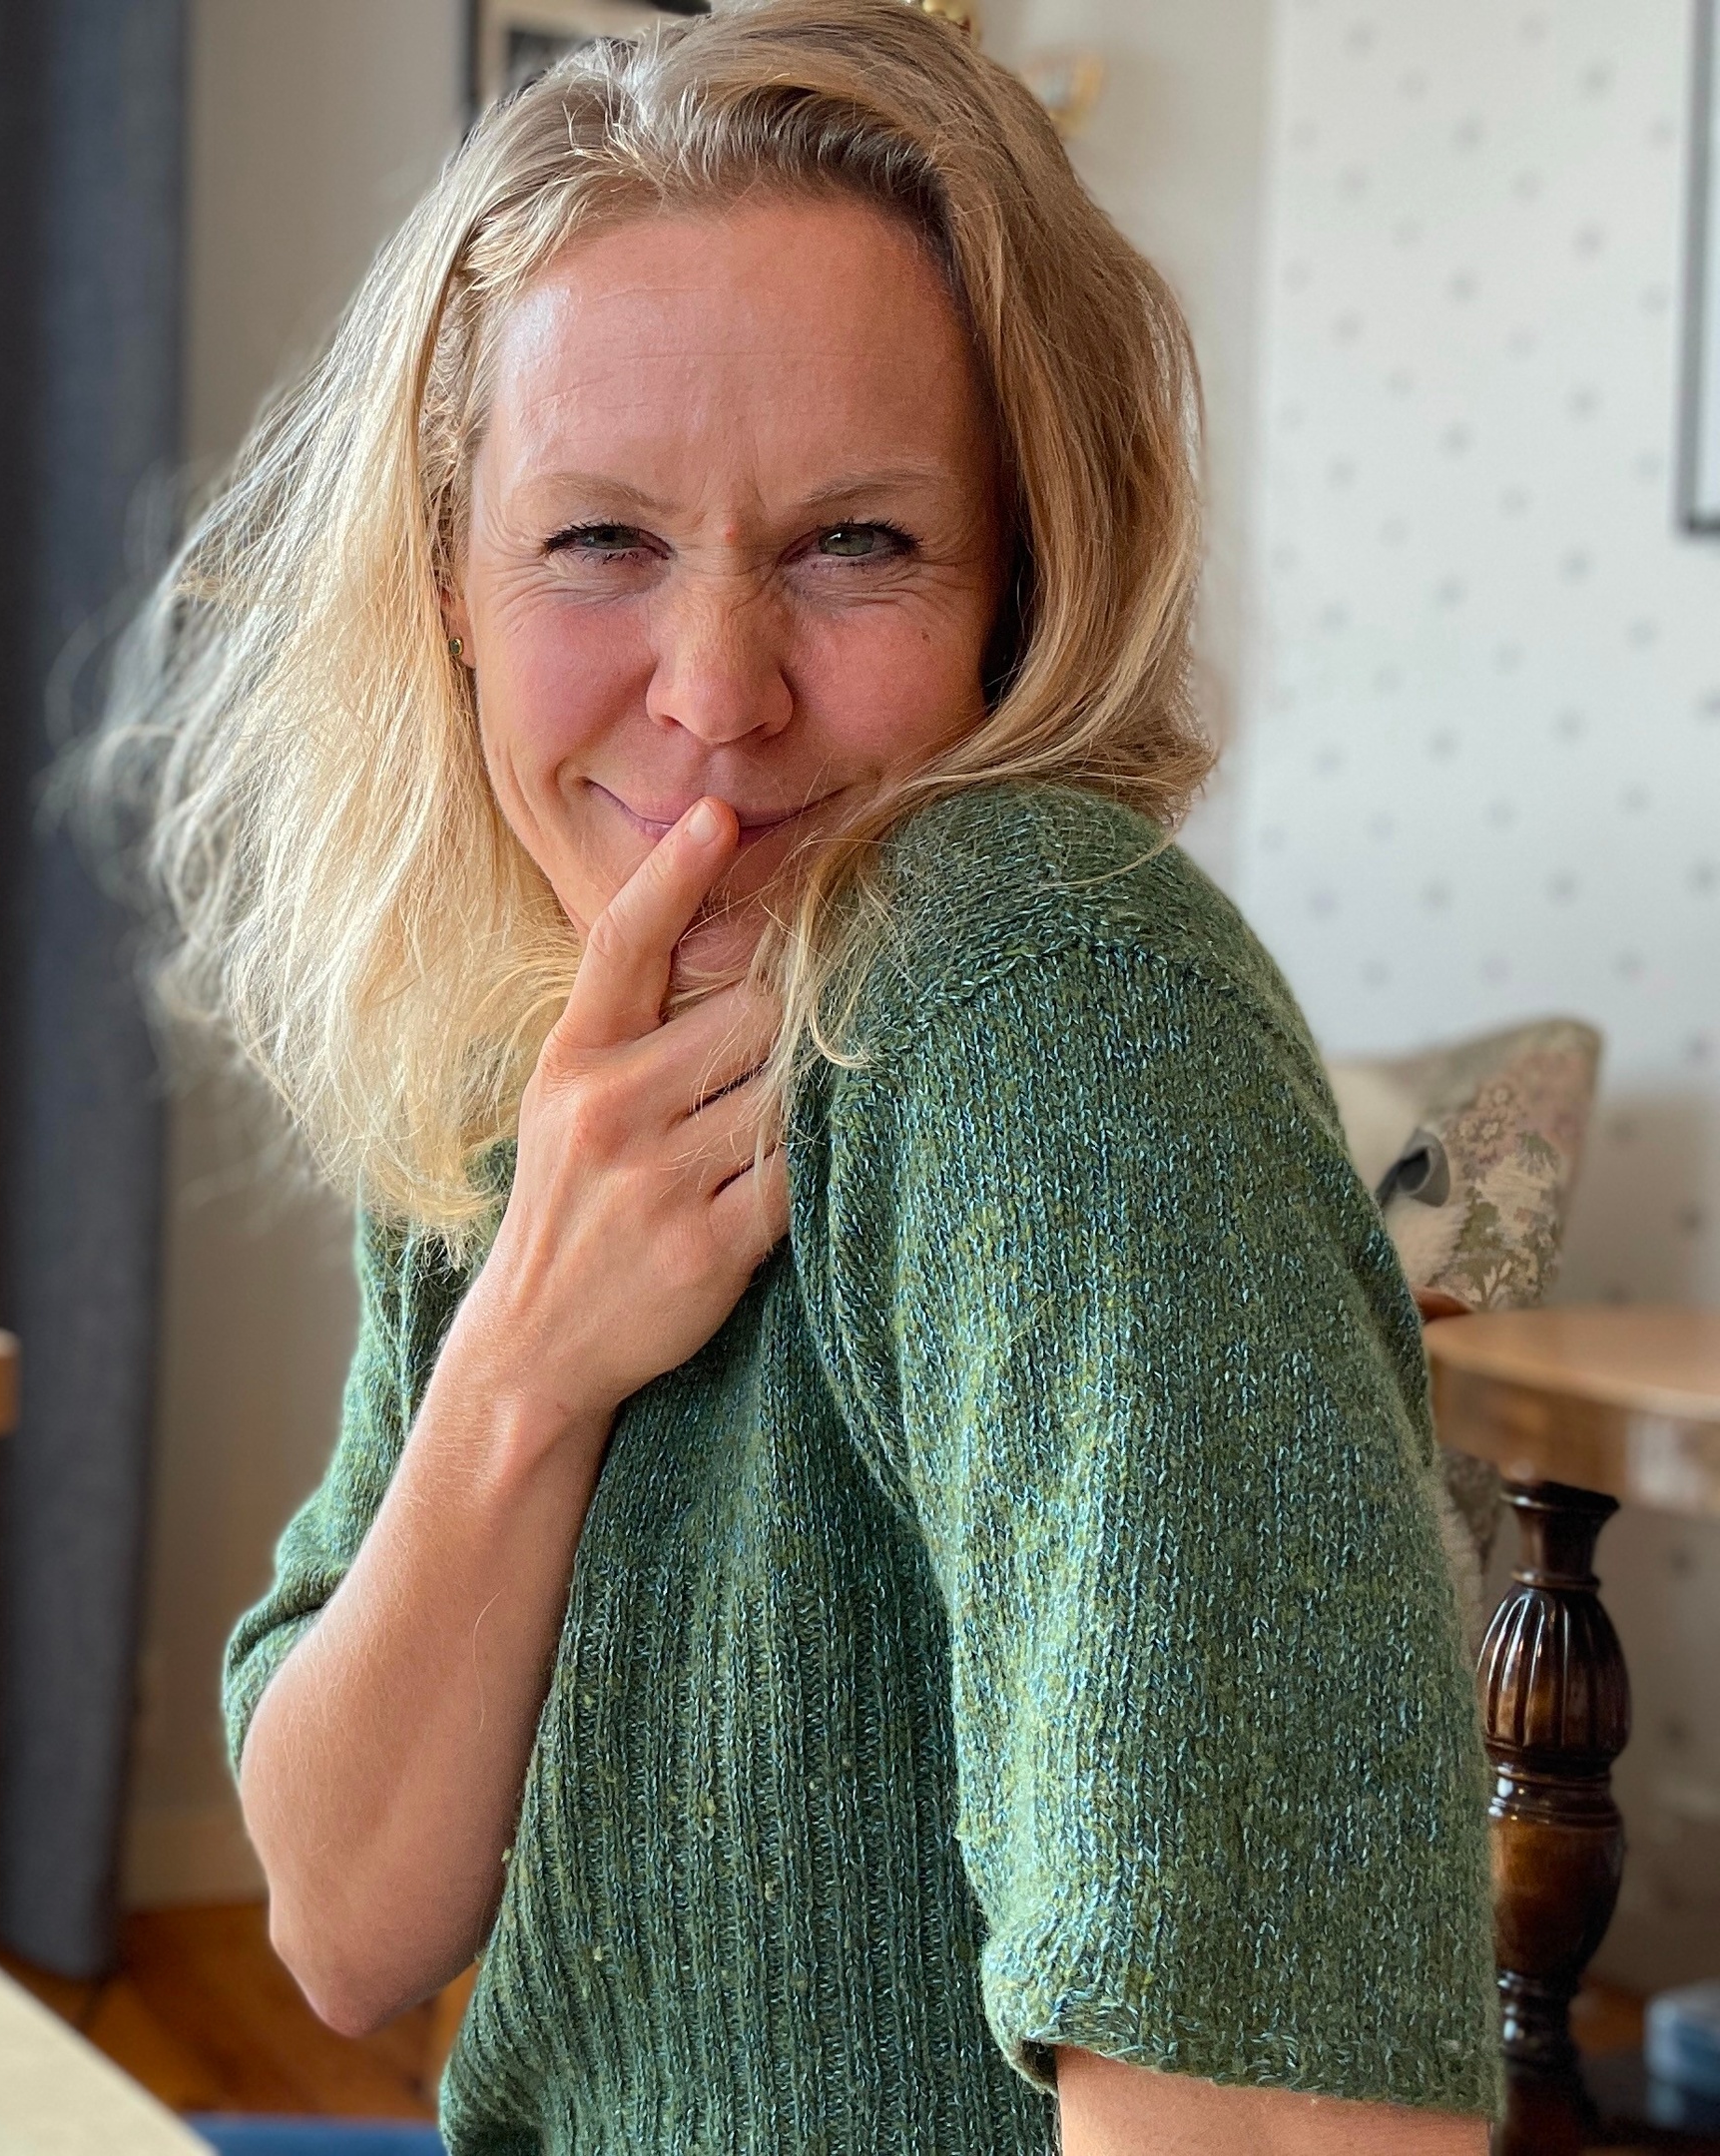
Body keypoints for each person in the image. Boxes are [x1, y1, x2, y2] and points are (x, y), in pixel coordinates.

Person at [85, 3, 1494, 2150]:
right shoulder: (529, 1054)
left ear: (1022, 583)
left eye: (857, 544)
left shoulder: (1041, 986)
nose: (717, 693)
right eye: (599, 541)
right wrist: (526, 1362)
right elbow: (344, 1920)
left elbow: (1284, 2120)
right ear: (451, 579)